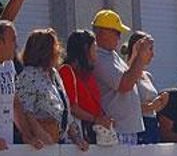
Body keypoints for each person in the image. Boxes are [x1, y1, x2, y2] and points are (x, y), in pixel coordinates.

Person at [15, 28, 87, 151]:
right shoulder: (28, 75)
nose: (59, 51)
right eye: (55, 47)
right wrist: (41, 133)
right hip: (40, 145)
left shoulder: (54, 74)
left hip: (59, 142)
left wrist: (77, 138)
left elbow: (65, 110)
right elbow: (26, 110)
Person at [92, 10, 150, 145]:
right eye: (116, 32)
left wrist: (136, 55)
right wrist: (141, 57)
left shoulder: (111, 55)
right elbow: (125, 85)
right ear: (103, 32)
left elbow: (128, 74)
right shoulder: (99, 58)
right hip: (117, 130)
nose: (119, 37)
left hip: (127, 129)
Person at [0, 20, 41, 150]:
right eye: (13, 40)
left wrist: (27, 135)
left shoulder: (9, 65)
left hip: (5, 146)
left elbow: (14, 103)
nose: (16, 46)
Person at [59, 30, 114, 143]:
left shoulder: (88, 74)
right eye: (94, 48)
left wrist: (104, 120)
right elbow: (72, 108)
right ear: (85, 48)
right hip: (79, 135)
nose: (97, 52)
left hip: (93, 132)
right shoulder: (67, 71)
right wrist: (96, 119)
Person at [124, 31, 168, 144]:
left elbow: (153, 108)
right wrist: (150, 106)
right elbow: (126, 105)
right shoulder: (127, 73)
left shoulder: (148, 76)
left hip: (153, 126)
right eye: (149, 49)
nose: (152, 54)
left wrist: (160, 103)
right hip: (139, 128)